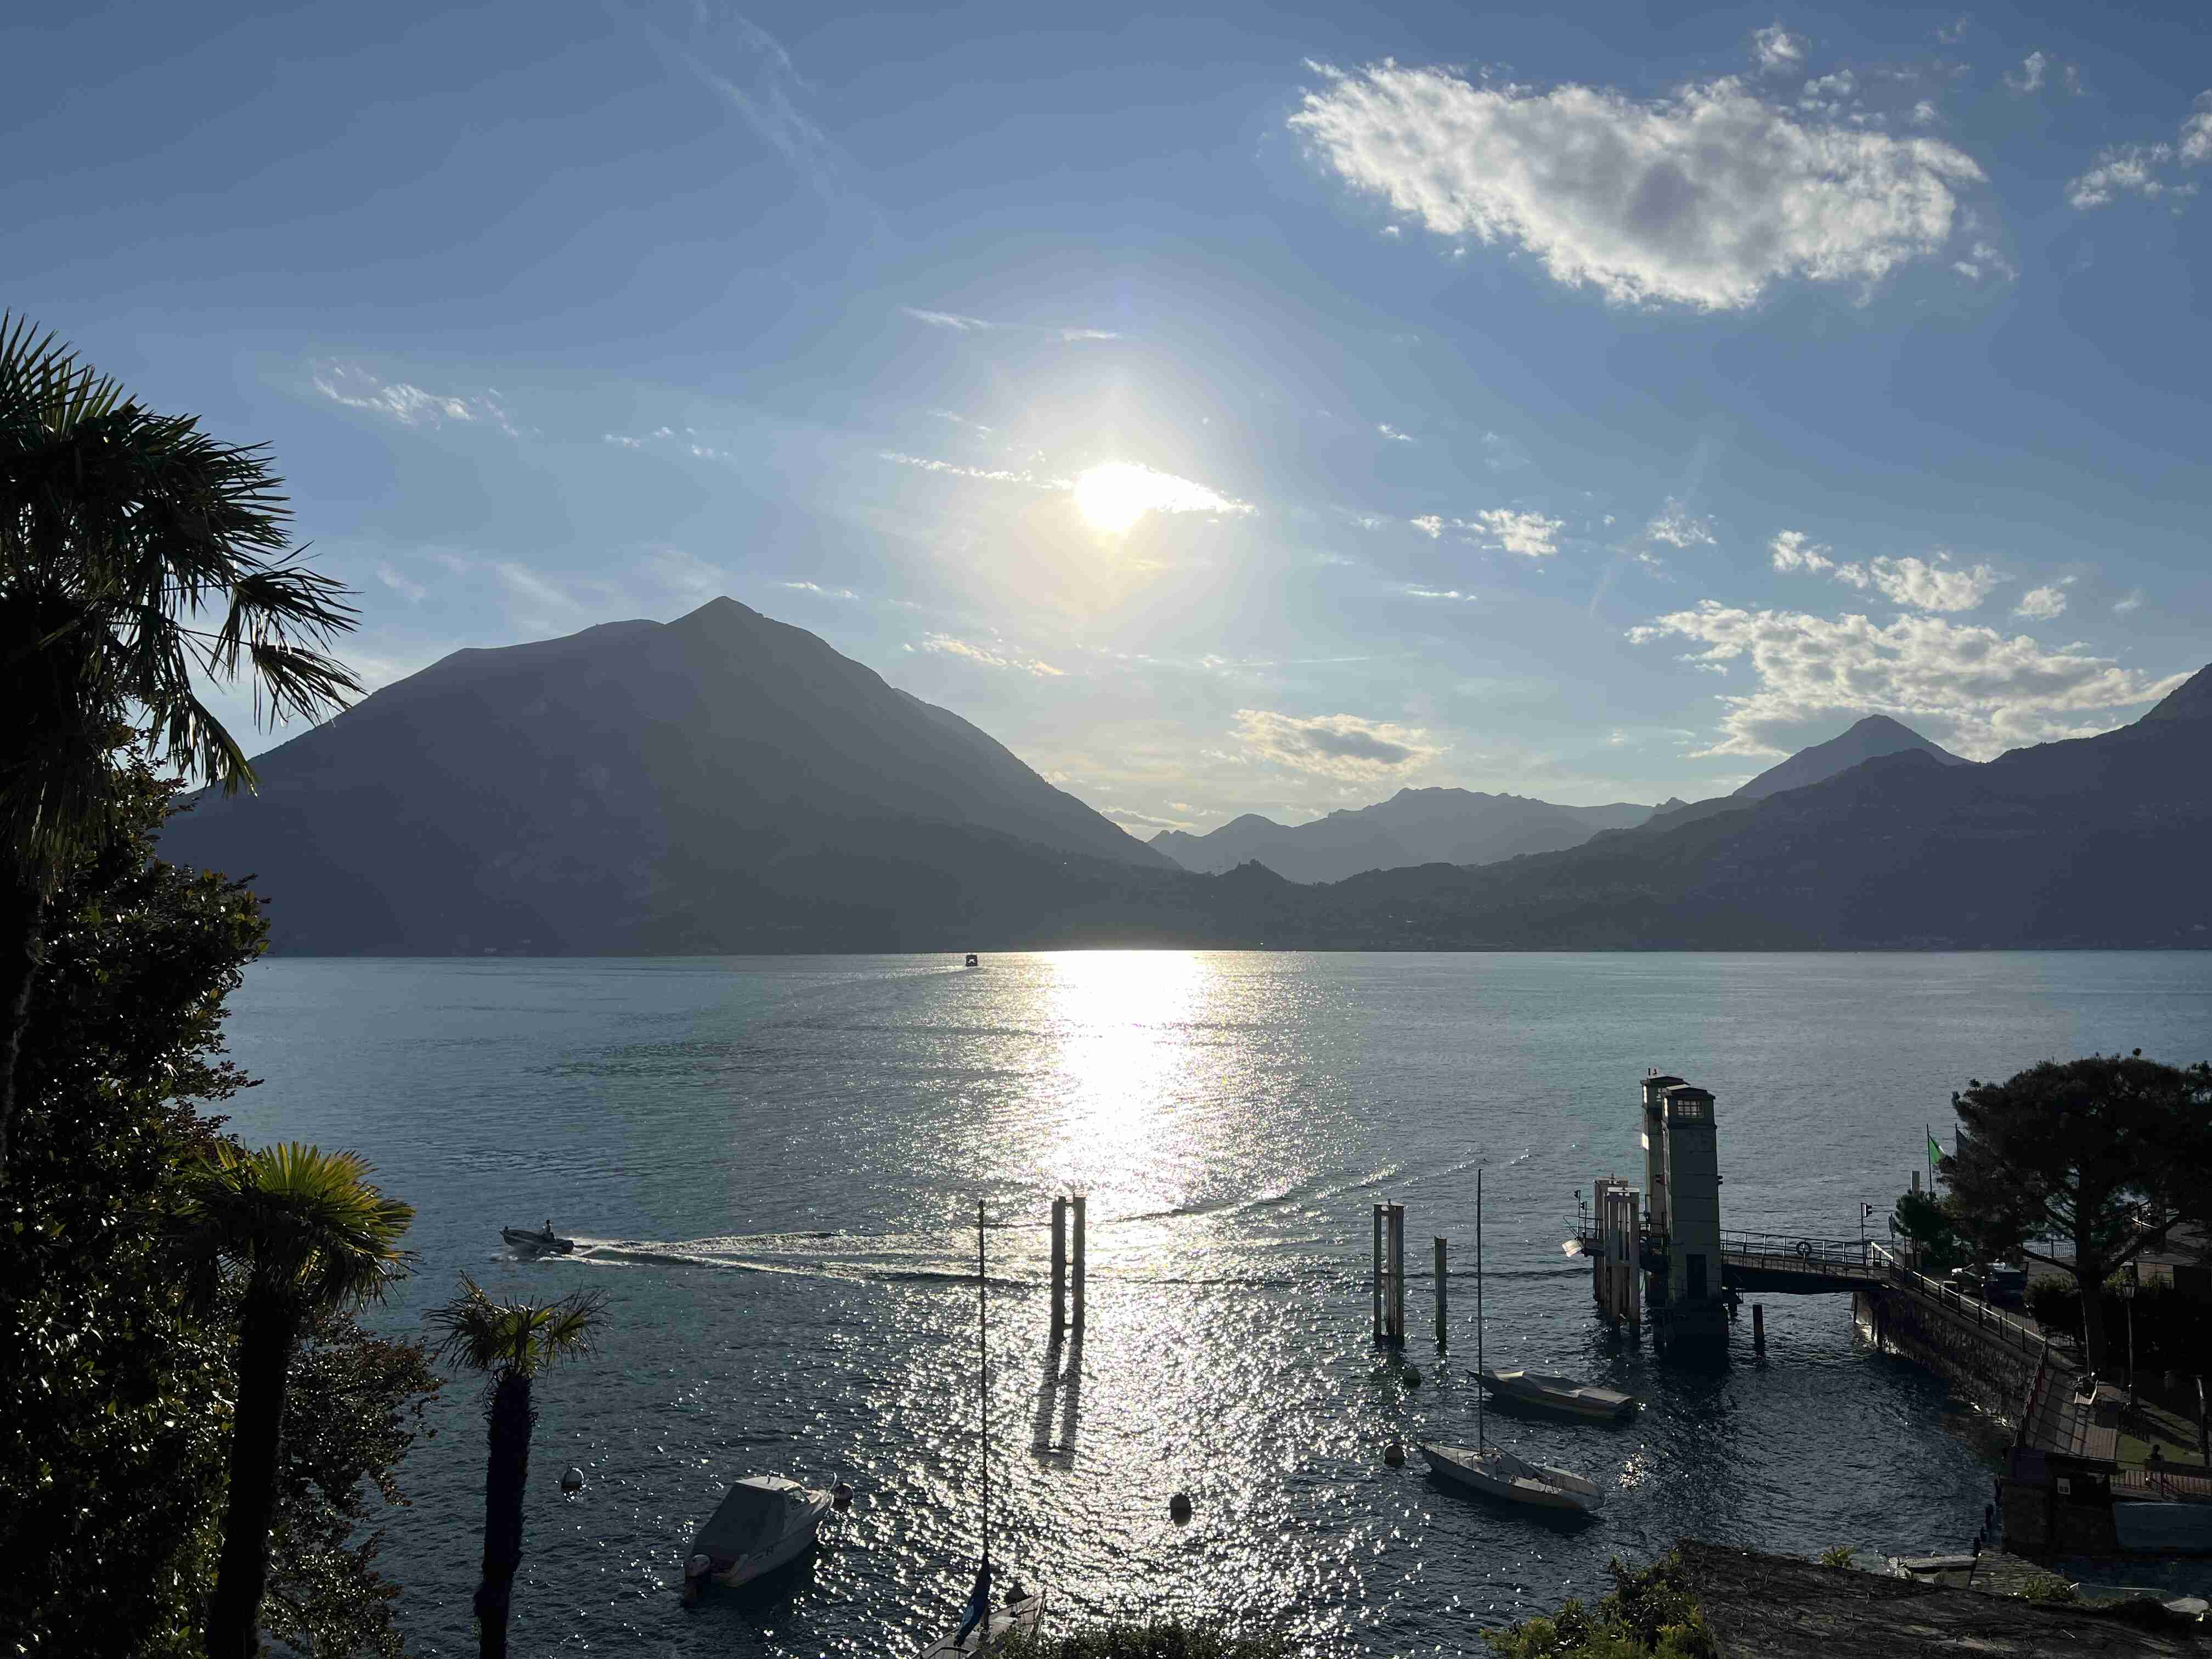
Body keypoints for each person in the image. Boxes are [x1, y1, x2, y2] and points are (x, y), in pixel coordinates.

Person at [953, 1560, 991, 1649]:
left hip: (982, 1598)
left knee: (985, 1612)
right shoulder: (980, 1593)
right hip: (981, 1599)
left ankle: (985, 1627)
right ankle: (961, 1638)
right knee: (975, 1617)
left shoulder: (981, 1588)